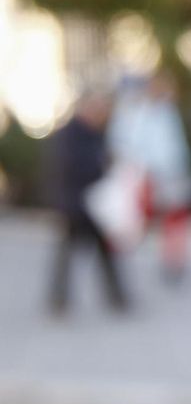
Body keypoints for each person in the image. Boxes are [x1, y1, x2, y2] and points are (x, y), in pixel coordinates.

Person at [108, 72, 191, 283]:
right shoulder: (133, 111)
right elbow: (126, 144)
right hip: (147, 174)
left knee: (176, 220)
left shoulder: (166, 111)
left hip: (171, 173)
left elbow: (173, 146)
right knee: (136, 221)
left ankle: (174, 261)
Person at [46, 91, 129, 316]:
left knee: (106, 254)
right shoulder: (69, 135)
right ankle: (58, 300)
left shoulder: (95, 134)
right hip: (75, 205)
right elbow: (70, 167)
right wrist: (101, 164)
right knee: (66, 255)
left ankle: (118, 298)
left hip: (96, 205)